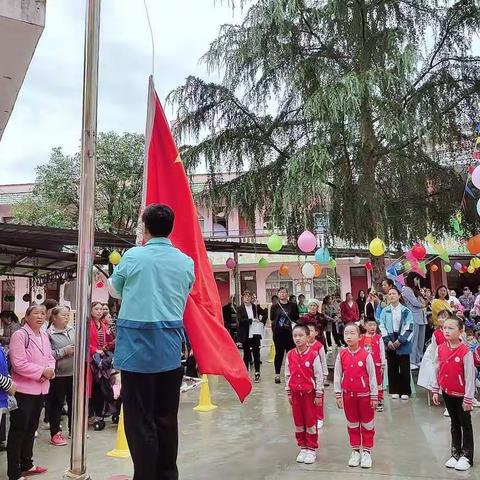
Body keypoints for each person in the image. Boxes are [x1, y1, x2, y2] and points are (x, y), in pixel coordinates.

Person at [108, 203, 195, 480]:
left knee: (139, 420)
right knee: (167, 419)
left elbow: (114, 289)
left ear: (145, 228)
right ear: (170, 228)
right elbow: (185, 291)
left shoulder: (133, 256)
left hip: (136, 352)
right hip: (170, 351)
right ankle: (168, 474)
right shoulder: (185, 261)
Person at [8, 304, 55, 480]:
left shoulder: (44, 334)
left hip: (40, 389)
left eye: (43, 313)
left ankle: (27, 463)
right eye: (36, 313)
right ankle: (14, 472)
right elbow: (18, 363)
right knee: (18, 430)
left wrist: (49, 370)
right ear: (27, 316)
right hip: (23, 390)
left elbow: (50, 358)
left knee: (31, 428)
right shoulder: (20, 335)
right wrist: (42, 372)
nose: (40, 316)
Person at [432, 317, 475, 471]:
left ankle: (467, 456)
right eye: (445, 328)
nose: (447, 331)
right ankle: (455, 452)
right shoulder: (440, 348)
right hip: (447, 392)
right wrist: (436, 389)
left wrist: (469, 398)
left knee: (465, 424)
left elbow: (470, 376)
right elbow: (437, 369)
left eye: (451, 328)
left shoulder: (465, 352)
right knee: (454, 424)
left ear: (460, 331)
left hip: (462, 395)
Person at [334, 323, 378, 469]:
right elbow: (337, 376)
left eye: (352, 333)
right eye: (346, 333)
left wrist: (374, 396)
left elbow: (372, 377)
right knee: (352, 424)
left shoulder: (366, 356)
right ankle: (355, 451)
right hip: (348, 397)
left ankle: (366, 451)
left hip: (365, 397)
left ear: (360, 337)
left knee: (367, 424)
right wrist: (338, 394)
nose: (349, 336)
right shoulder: (341, 355)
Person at [285, 324, 323, 465]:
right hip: (295, 394)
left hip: (309, 394)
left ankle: (312, 448)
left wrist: (319, 393)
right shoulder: (290, 355)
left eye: (301, 335)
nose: (297, 338)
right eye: (295, 336)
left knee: (310, 421)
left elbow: (319, 376)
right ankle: (303, 447)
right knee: (299, 422)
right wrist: (288, 391)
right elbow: (287, 374)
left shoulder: (313, 355)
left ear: (308, 337)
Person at [379, 287, 415, 400]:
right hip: (390, 339)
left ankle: (405, 390)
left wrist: (400, 340)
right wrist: (387, 340)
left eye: (394, 293)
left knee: (404, 367)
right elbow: (382, 326)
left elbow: (409, 326)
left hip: (402, 340)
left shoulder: (406, 311)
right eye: (389, 294)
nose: (391, 296)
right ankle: (394, 389)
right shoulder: (385, 311)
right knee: (392, 366)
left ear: (399, 296)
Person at [47, 306, 74, 446]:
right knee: (56, 404)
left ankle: (73, 430)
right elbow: (47, 355)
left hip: (73, 373)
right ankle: (55, 432)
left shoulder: (72, 330)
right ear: (54, 317)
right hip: (58, 375)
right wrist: (64, 351)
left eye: (68, 315)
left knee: (73, 403)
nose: (67, 317)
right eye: (63, 315)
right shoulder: (48, 334)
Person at [270, 287, 299, 384]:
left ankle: (292, 373)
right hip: (278, 334)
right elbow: (272, 320)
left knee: (291, 354)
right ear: (278, 294)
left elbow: (296, 319)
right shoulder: (274, 306)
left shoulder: (293, 305)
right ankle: (277, 374)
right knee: (279, 354)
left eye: (284, 292)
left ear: (287, 294)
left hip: (290, 334)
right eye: (280, 292)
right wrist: (274, 332)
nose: (282, 294)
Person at [303, 320, 328, 428]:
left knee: (319, 397)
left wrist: (324, 374)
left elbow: (323, 361)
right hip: (306, 377)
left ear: (316, 333)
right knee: (307, 398)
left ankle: (319, 417)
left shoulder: (319, 346)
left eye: (311, 331)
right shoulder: (303, 345)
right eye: (307, 331)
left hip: (317, 377)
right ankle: (309, 417)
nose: (309, 333)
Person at [237, 290, 266, 382]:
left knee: (256, 353)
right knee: (246, 354)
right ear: (243, 298)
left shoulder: (255, 307)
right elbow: (240, 320)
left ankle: (257, 372)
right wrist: (251, 320)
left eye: (249, 296)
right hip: (245, 334)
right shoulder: (240, 308)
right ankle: (245, 373)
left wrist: (261, 321)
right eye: (245, 296)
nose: (247, 298)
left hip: (255, 333)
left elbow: (264, 313)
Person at [88, 302, 108, 431]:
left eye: (101, 309)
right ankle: (90, 414)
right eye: (96, 309)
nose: (99, 311)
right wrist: (95, 350)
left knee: (102, 387)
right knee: (92, 389)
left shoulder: (104, 325)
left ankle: (99, 414)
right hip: (90, 361)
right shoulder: (87, 325)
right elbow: (84, 342)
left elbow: (105, 342)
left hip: (101, 360)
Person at [360, 318, 386, 412]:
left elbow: (382, 351)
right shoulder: (361, 338)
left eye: (374, 325)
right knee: (367, 381)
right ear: (365, 326)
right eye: (370, 325)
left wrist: (382, 364)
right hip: (364, 365)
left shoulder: (379, 338)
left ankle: (379, 399)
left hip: (377, 364)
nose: (372, 327)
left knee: (378, 382)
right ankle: (367, 399)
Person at [402, 272, 427, 369]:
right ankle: (411, 361)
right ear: (412, 279)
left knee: (421, 340)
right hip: (413, 317)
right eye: (417, 279)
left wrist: (422, 303)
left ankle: (418, 359)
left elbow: (423, 302)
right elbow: (415, 303)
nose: (418, 281)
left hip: (422, 317)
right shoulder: (407, 289)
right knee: (413, 340)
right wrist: (422, 304)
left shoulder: (417, 290)